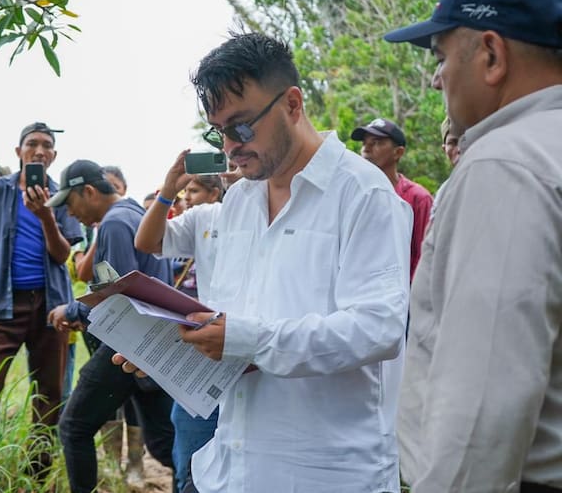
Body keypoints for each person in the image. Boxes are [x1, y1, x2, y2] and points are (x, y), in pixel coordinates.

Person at [115, 33, 412, 493]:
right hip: (228, 465)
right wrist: (164, 349)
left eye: (242, 127)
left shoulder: (363, 194)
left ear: (292, 104)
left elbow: (379, 328)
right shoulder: (238, 204)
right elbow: (232, 333)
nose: (230, 147)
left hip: (321, 474)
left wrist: (246, 338)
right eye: (218, 132)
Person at [385, 0, 562, 491]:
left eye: (441, 57)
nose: (437, 79)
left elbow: (484, 408)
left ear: (491, 55)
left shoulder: (505, 164)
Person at [45, 159, 176, 493]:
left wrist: (72, 309)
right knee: (163, 443)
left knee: (73, 427)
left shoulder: (115, 223)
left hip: (129, 344)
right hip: (153, 345)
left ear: (89, 192)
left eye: (70, 203)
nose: (70, 214)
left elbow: (119, 294)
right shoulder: (134, 214)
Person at [0, 121, 82, 476]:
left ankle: (38, 470)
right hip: (2, 302)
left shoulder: (61, 195)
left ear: (54, 155)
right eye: (32, 144)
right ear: (19, 152)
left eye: (47, 146)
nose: (40, 151)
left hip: (50, 306)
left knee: (49, 391)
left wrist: (46, 214)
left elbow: (62, 255)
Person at [134, 167, 226, 492]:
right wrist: (168, 191)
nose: (188, 198)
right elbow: (146, 241)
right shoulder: (206, 217)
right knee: (190, 465)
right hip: (204, 360)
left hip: (252, 358)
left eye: (195, 191)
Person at [352, 118, 433, 280]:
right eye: (364, 143)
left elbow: (424, 259)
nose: (366, 149)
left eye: (376, 142)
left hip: (403, 298)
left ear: (398, 152)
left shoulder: (418, 199)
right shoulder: (354, 195)